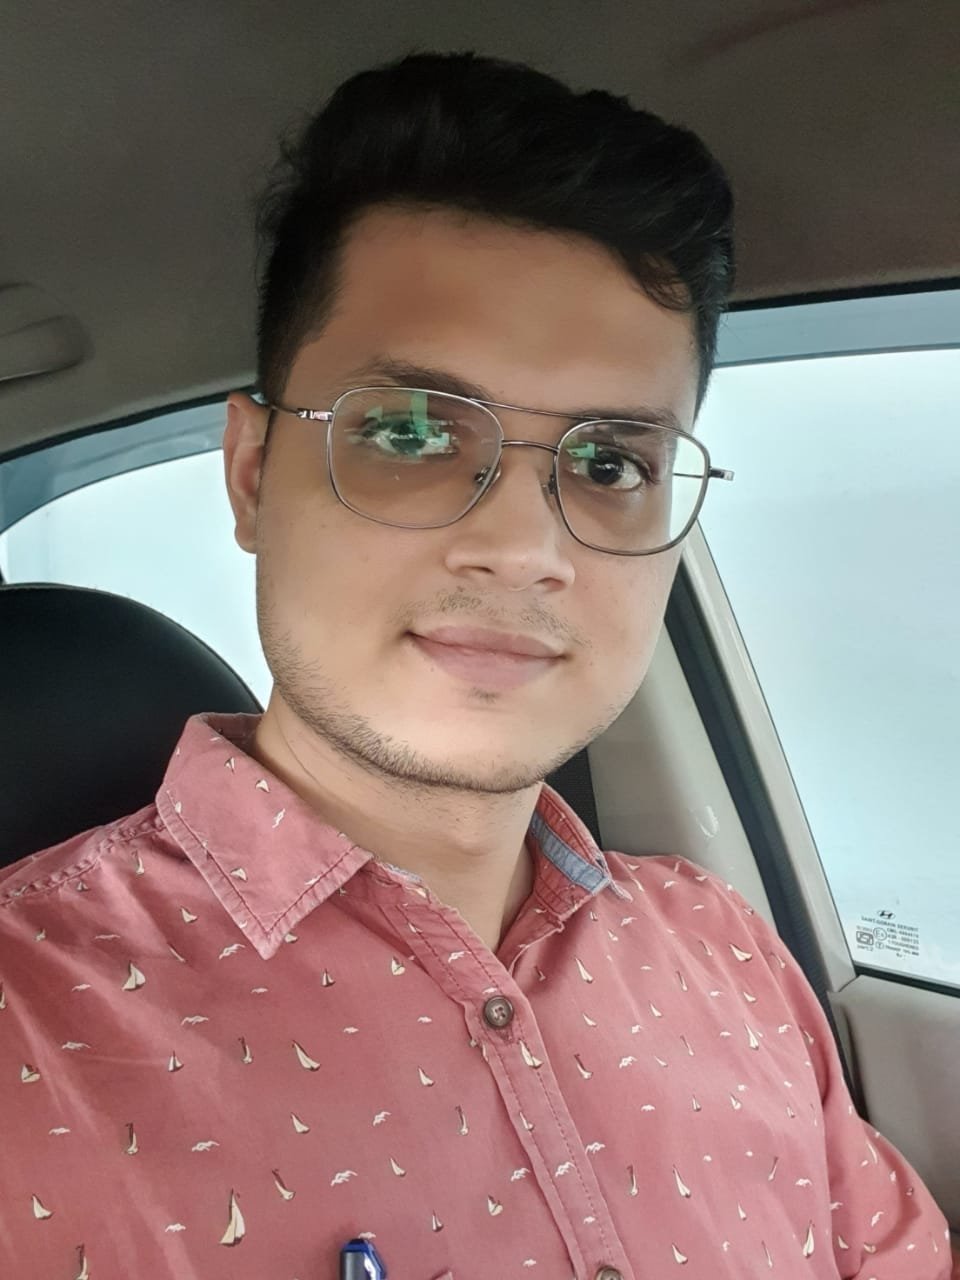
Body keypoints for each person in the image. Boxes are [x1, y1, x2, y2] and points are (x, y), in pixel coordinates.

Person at [0, 49, 953, 1280]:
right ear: (251, 474)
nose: (524, 548)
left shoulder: (723, 946)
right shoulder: (28, 1029)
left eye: (610, 463)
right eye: (410, 431)